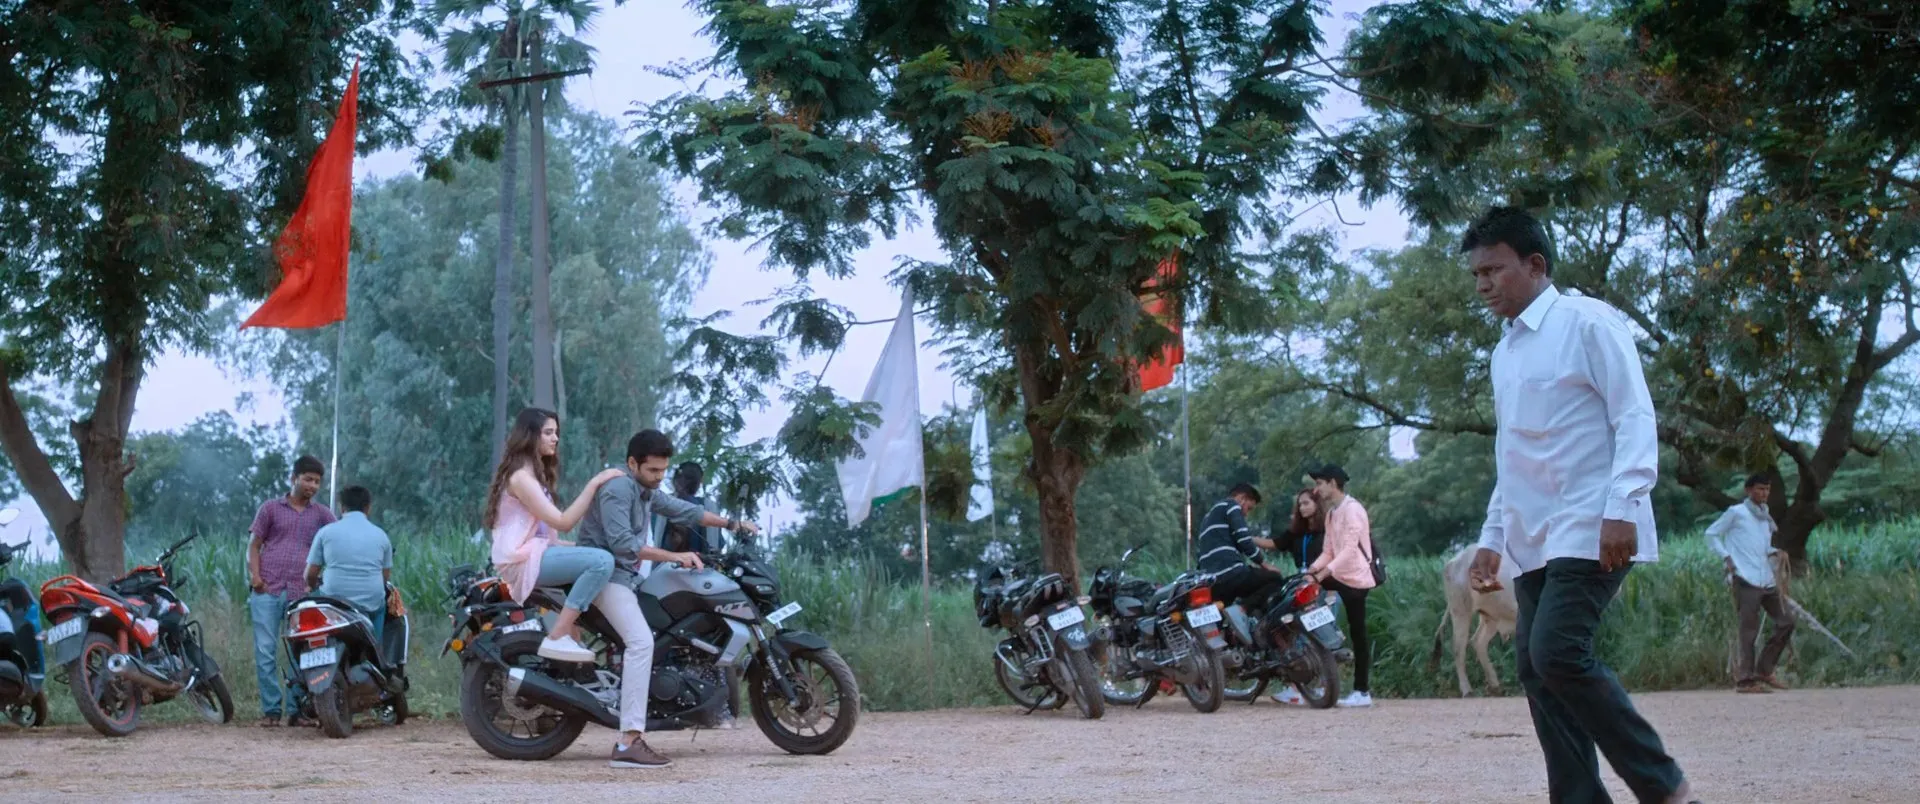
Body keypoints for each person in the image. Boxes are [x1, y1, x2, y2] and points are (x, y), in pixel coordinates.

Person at [1462, 206, 1696, 804]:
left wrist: (1624, 504)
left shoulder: (1587, 322)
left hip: (1594, 523)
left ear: (1536, 265)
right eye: (1477, 274)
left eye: (1494, 270)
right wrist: (1492, 536)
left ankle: (1665, 788)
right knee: (1535, 668)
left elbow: (1633, 414)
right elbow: (1513, 453)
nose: (1484, 284)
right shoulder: (1504, 353)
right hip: (1532, 534)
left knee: (1559, 653)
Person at [577, 429, 760, 768]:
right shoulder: (618, 488)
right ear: (633, 463)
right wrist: (676, 556)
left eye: (664, 470)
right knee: (641, 643)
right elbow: (623, 545)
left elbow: (684, 511)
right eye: (653, 470)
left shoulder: (645, 489)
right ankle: (628, 742)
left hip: (627, 577)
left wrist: (733, 524)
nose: (660, 477)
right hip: (606, 578)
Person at [483, 407, 626, 665]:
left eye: (556, 432)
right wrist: (595, 483)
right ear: (530, 436)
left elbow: (549, 538)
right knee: (601, 561)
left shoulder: (532, 476)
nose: (555, 438)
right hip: (522, 562)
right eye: (548, 432)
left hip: (534, 555)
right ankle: (558, 634)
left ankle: (574, 638)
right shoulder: (521, 478)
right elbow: (564, 522)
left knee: (599, 553)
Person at [248, 455, 336, 727]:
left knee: (303, 652)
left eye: (317, 482)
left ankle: (298, 710)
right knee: (265, 651)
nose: (312, 486)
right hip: (268, 589)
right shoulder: (270, 509)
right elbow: (254, 545)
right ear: (294, 478)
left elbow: (336, 541)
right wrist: (256, 577)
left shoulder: (322, 514)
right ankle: (271, 710)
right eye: (308, 479)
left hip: (302, 593)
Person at [1706, 474, 1794, 694]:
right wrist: (1726, 556)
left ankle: (1764, 670)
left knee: (1786, 622)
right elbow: (1711, 534)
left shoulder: (1765, 517)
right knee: (1749, 630)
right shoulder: (1736, 513)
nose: (1764, 493)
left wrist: (1776, 553)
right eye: (1760, 489)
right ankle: (1745, 680)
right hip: (1744, 577)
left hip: (1766, 578)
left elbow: (1763, 548)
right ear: (1748, 490)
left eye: (1767, 489)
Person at [1304, 464, 1378, 708]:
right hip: (1338, 575)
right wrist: (1311, 570)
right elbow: (1328, 551)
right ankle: (1313, 668)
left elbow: (1348, 550)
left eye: (1319, 484)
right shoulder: (1332, 514)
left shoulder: (1352, 510)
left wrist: (1323, 573)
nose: (1316, 490)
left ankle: (1362, 691)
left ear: (1333, 483)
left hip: (1355, 578)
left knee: (1358, 633)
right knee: (1301, 597)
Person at [303, 486, 393, 643]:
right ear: (368, 508)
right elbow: (384, 578)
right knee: (380, 607)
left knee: (306, 607)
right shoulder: (381, 535)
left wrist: (312, 585)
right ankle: (375, 647)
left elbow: (310, 575)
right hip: (370, 603)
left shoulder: (326, 532)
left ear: (342, 507)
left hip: (332, 601)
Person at [1195, 484, 1284, 610]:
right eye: (1249, 508)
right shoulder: (1232, 505)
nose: (1246, 514)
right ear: (1242, 498)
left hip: (1211, 581)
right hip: (1231, 573)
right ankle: (1243, 609)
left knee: (1224, 613)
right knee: (1275, 578)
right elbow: (1244, 540)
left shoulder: (1207, 518)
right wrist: (1264, 564)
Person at [658, 461, 720, 555]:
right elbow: (716, 545)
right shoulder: (709, 507)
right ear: (699, 483)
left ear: (675, 480)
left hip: (664, 561)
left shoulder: (660, 503)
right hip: (700, 563)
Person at [1277, 488, 1327, 572]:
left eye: (1306, 503)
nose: (1301, 508)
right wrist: (1252, 540)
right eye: (1300, 505)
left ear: (1317, 504)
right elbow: (1276, 543)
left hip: (1323, 575)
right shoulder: (1297, 531)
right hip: (1302, 575)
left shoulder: (1328, 529)